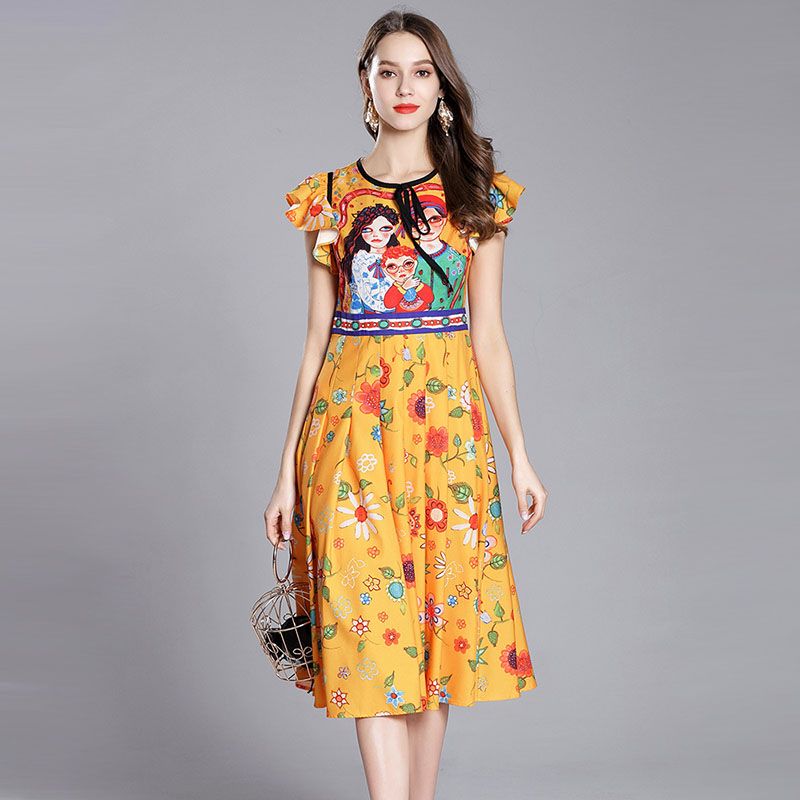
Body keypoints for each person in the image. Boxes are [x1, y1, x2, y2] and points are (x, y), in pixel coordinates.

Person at [264, 10, 548, 800]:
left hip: (446, 440)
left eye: (421, 72)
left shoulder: (475, 198)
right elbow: (315, 340)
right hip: (347, 438)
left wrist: (520, 454)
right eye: (388, 71)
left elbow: (490, 338)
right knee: (369, 636)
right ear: (366, 83)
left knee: (432, 635)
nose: (404, 87)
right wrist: (285, 471)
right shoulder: (328, 198)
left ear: (441, 87)